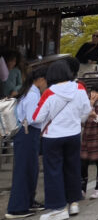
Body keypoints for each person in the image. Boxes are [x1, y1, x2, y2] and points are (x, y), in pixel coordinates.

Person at [34, 59, 92, 220]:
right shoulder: (79, 87)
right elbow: (87, 110)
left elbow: (37, 117)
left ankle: (58, 207)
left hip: (52, 137)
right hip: (73, 134)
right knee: (72, 168)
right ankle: (73, 202)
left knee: (53, 171)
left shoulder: (49, 92)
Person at [6, 67, 48, 220]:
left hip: (27, 134)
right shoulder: (32, 95)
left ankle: (28, 201)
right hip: (27, 133)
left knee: (31, 169)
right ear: (41, 79)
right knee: (24, 171)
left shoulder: (30, 92)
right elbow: (32, 118)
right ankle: (16, 208)